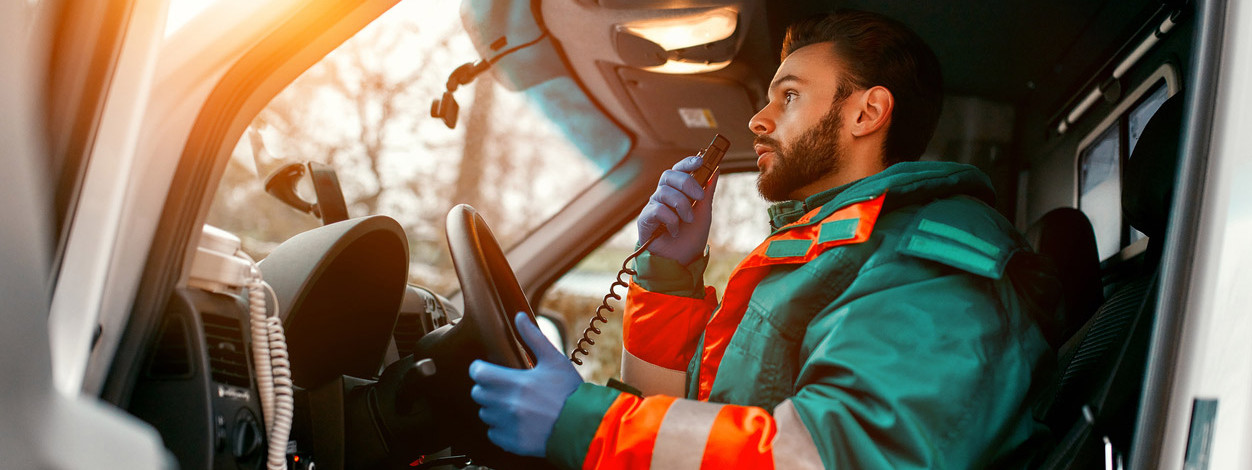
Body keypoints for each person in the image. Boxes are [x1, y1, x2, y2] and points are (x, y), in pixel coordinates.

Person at [469, 9, 1058, 469]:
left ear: (867, 112)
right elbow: (692, 418)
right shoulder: (829, 247)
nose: (758, 117)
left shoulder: (930, 262)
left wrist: (587, 426)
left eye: (790, 95)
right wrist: (670, 275)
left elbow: (836, 456)